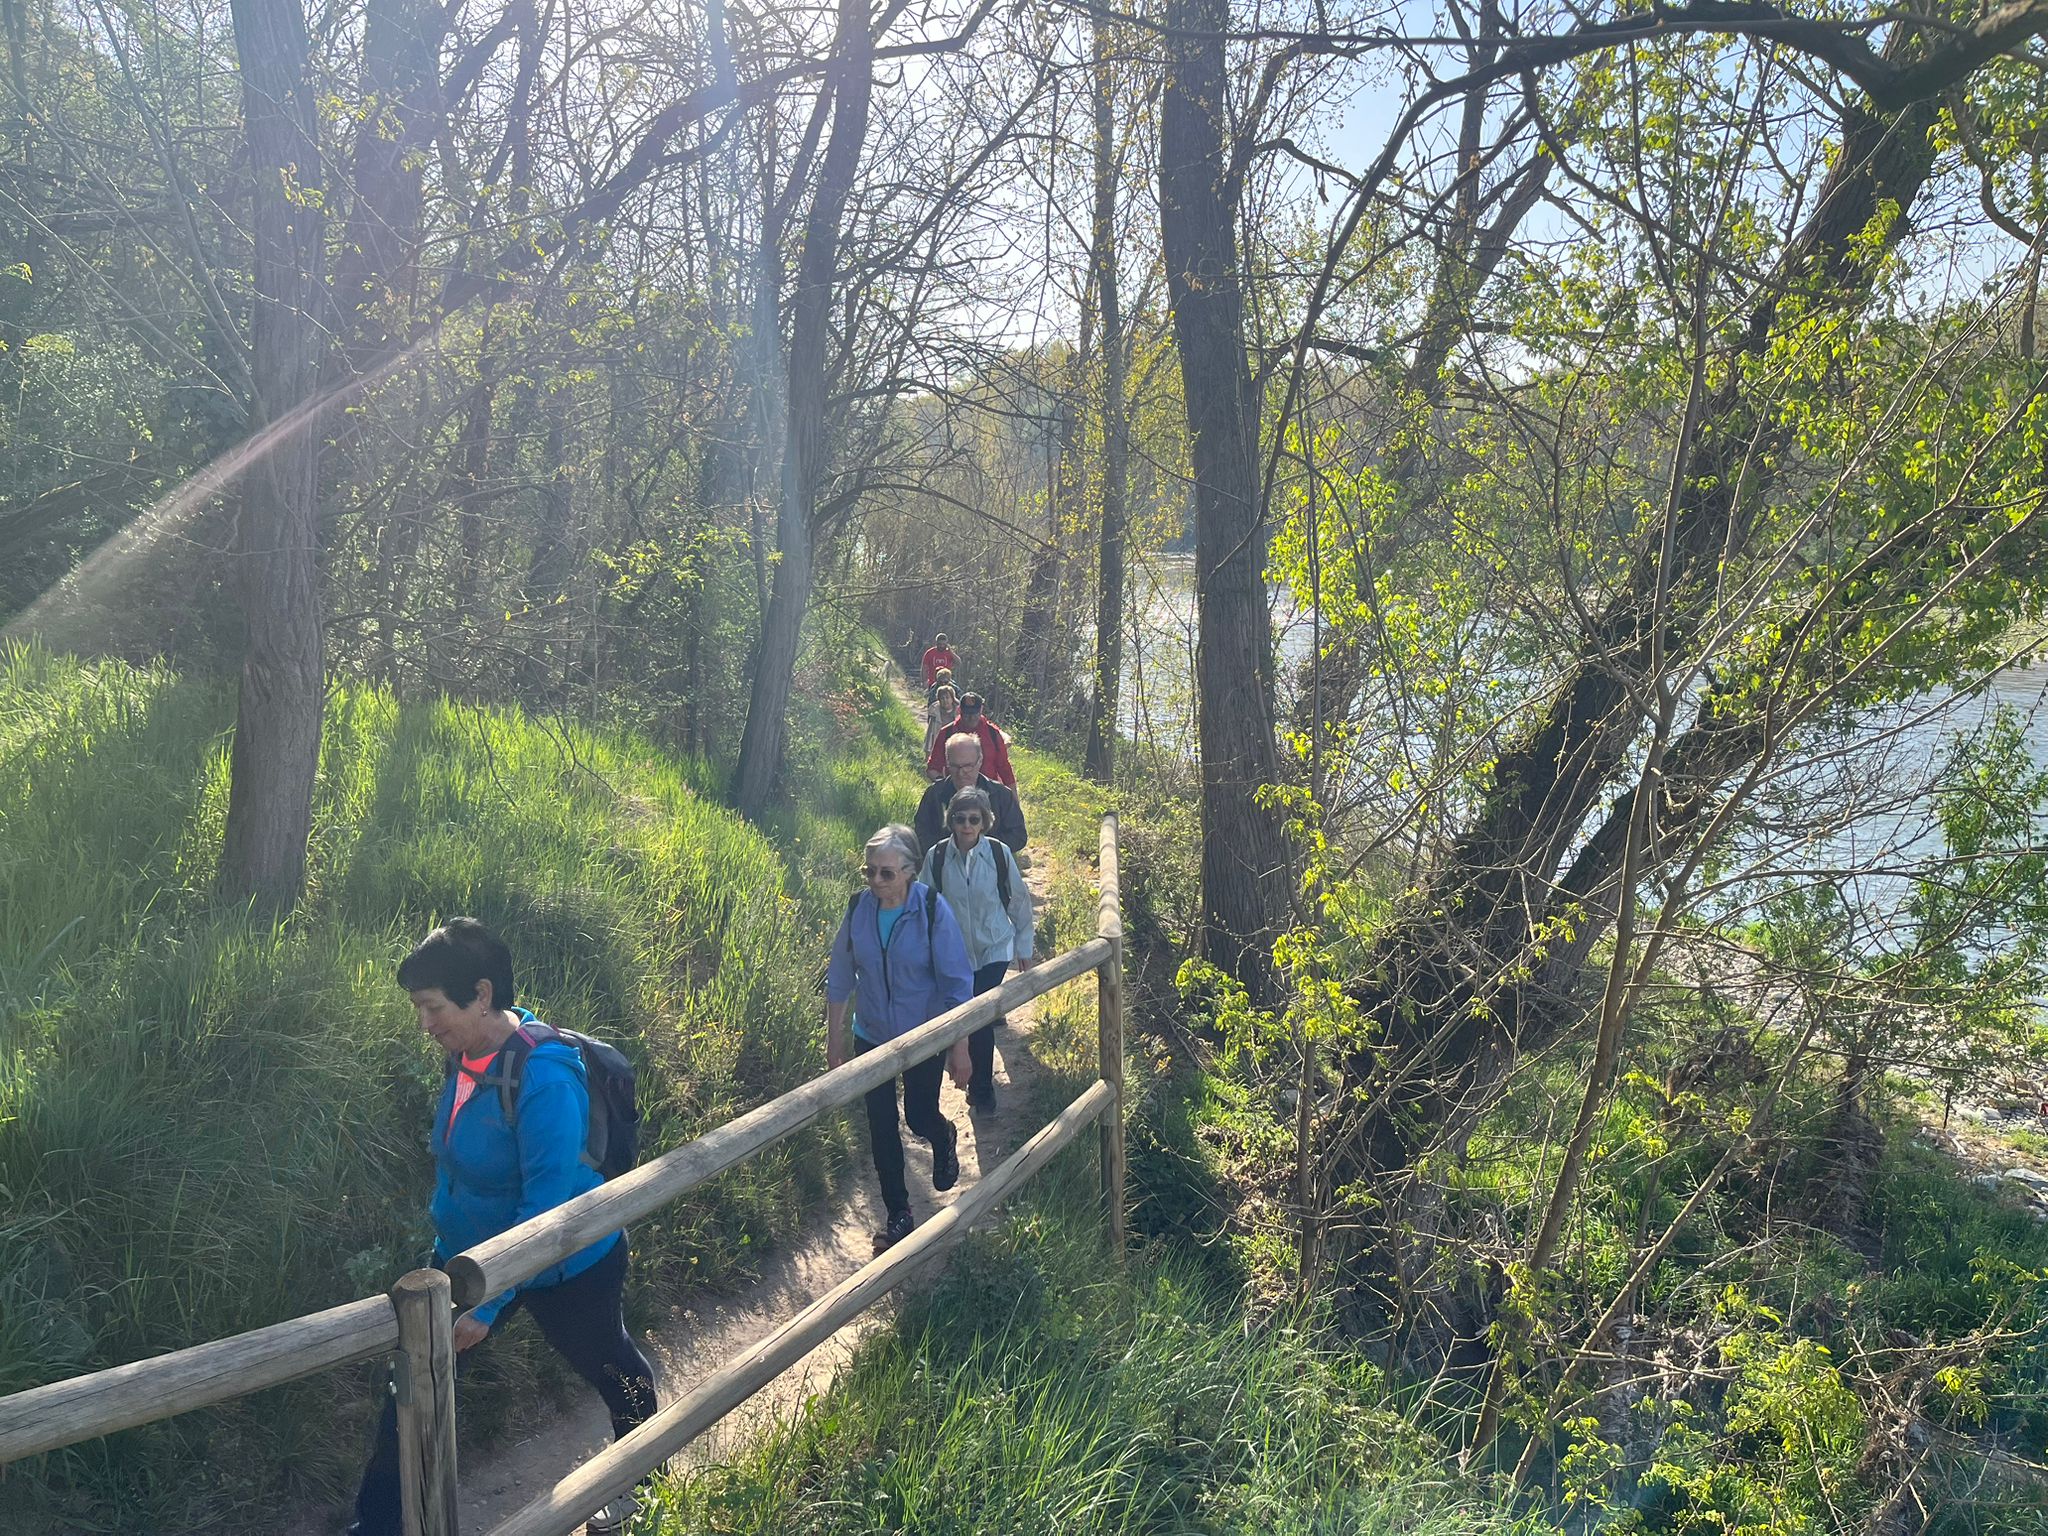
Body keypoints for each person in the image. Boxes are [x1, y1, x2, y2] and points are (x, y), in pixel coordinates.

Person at [350, 919, 654, 1536]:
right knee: (408, 1388)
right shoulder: (464, 1057)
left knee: (606, 1363)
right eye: (420, 1009)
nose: (425, 1024)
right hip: (467, 1259)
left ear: (481, 995)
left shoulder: (546, 1077)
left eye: (433, 1008)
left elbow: (544, 1211)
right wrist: (446, 1255)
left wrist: (486, 1306)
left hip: (569, 1264)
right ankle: (377, 1527)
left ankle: (641, 1483)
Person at [825, 825, 975, 1252]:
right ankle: (899, 1214)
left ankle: (942, 1135)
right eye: (869, 871)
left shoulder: (931, 909)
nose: (875, 882)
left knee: (917, 1116)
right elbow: (840, 976)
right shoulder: (859, 909)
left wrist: (958, 1046)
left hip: (922, 1034)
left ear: (910, 871)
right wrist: (834, 1040)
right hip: (870, 1033)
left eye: (886, 873)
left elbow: (956, 983)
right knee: (880, 1126)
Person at [919, 786, 1034, 1110]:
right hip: (953, 954)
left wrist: (1023, 945)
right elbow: (925, 905)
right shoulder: (937, 857)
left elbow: (1019, 901)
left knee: (979, 1017)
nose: (966, 825)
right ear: (951, 820)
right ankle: (959, 1070)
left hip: (994, 949)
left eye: (973, 819)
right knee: (960, 1014)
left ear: (984, 821)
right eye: (960, 818)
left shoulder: (998, 854)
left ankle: (982, 1090)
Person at [915, 731, 1027, 857]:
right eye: (955, 766)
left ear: (980, 761)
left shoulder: (1001, 795)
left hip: (990, 869)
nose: (961, 773)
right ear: (947, 763)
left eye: (968, 766)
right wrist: (950, 851)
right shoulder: (934, 795)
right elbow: (921, 835)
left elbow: (1018, 836)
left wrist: (982, 848)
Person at [923, 691, 1016, 788]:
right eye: (966, 714)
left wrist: (1013, 799)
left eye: (974, 714)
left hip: (989, 795)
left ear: (981, 710)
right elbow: (933, 768)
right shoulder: (947, 733)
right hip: (956, 794)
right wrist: (944, 786)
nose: (971, 718)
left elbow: (1005, 769)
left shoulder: (992, 733)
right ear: (960, 710)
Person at [925, 681, 958, 760]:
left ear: (952, 698)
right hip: (938, 743)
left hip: (954, 744)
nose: (945, 700)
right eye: (942, 698)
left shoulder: (958, 712)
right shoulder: (935, 712)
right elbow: (930, 733)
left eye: (947, 698)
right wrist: (928, 751)